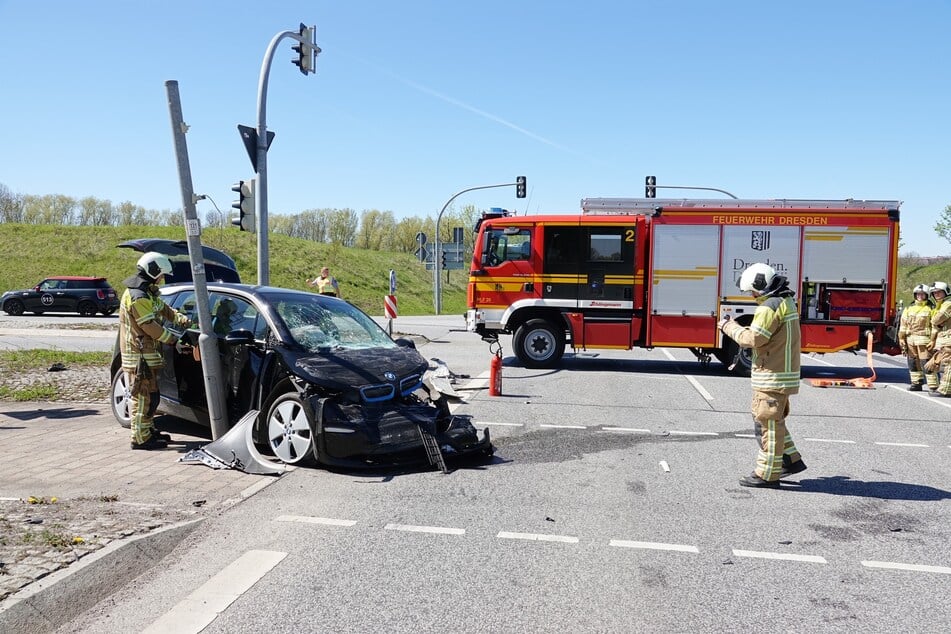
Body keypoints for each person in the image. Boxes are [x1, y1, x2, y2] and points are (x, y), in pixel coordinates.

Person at [718, 263, 806, 489]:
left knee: (767, 427)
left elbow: (753, 339)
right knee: (774, 422)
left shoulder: (769, 307)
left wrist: (729, 327)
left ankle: (767, 474)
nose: (752, 296)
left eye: (752, 291)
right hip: (782, 374)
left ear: (760, 287)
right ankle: (790, 460)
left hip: (771, 376)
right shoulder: (786, 301)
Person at [118, 252, 193, 450]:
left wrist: (181, 319)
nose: (161, 279)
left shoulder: (147, 293)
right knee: (142, 398)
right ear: (153, 271)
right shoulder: (138, 296)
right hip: (139, 357)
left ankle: (148, 430)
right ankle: (140, 439)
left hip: (146, 355)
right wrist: (173, 340)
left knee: (151, 397)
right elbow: (149, 326)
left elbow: (163, 308)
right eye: (161, 275)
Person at [897, 284, 937, 391]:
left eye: (922, 294)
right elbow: (903, 325)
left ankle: (933, 385)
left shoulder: (931, 308)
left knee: (926, 362)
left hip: (924, 340)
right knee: (913, 362)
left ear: (927, 295)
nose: (920, 296)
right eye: (918, 294)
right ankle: (916, 383)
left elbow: (935, 326)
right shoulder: (909, 308)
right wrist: (901, 338)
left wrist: (933, 340)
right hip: (910, 340)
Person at [928, 281, 951, 398]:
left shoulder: (948, 304)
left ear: (946, 292)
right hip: (944, 339)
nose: (936, 294)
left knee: (948, 364)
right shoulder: (941, 305)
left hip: (948, 339)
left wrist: (935, 321)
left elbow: (936, 319)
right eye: (934, 293)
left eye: (939, 292)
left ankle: (945, 390)